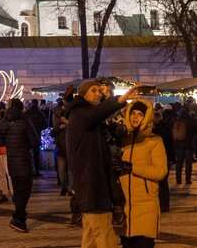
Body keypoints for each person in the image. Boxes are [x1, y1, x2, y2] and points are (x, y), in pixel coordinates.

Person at [67, 80, 135, 248]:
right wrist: (118, 100)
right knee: (104, 232)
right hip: (92, 185)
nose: (98, 93)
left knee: (91, 234)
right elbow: (97, 114)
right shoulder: (80, 114)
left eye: (100, 91)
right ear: (83, 94)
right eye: (94, 90)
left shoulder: (85, 115)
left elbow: (98, 115)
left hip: (91, 183)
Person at [119, 99, 167, 248]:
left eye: (140, 114)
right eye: (133, 113)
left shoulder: (154, 140)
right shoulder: (123, 139)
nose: (135, 117)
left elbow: (161, 172)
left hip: (146, 205)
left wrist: (133, 168)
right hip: (125, 207)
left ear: (146, 117)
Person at [0, 99, 39, 233]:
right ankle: (19, 218)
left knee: (17, 190)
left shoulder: (3, 122)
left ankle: (19, 218)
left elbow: (0, 142)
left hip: (12, 161)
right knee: (25, 191)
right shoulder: (25, 122)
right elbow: (34, 141)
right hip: (24, 160)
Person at [172, 108, 195, 185]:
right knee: (188, 164)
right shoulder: (192, 121)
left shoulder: (177, 121)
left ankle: (178, 180)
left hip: (179, 145)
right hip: (189, 146)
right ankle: (188, 180)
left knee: (179, 163)